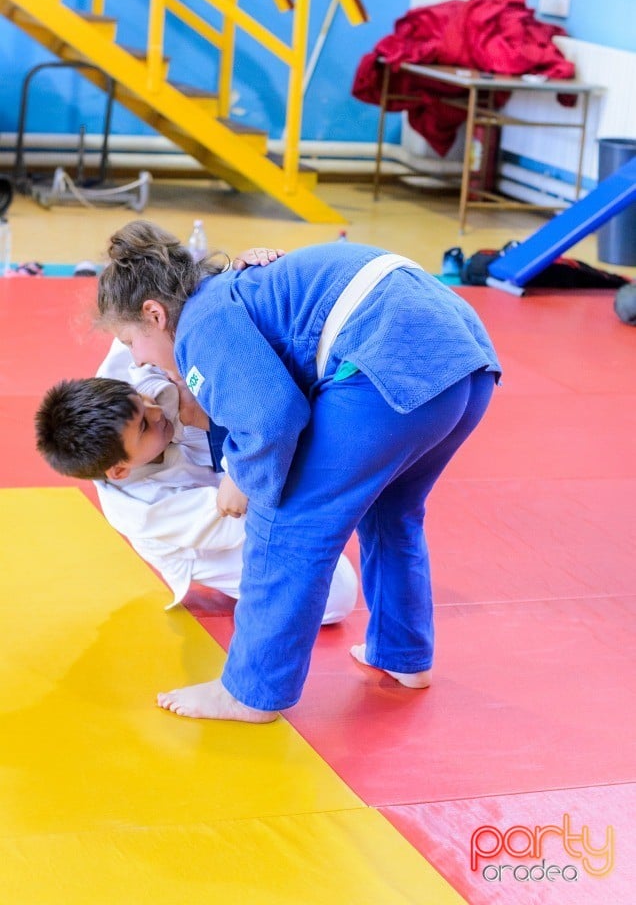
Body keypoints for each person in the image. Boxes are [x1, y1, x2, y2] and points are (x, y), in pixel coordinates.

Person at [92, 220, 502, 724]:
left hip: (392, 361)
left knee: (284, 524)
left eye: (131, 342)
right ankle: (403, 655)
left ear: (154, 314)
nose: (136, 359)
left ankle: (250, 691)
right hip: (463, 358)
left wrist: (240, 473)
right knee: (393, 511)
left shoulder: (198, 326)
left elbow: (273, 417)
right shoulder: (230, 291)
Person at [34, 337, 358, 623]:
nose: (155, 412)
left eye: (142, 401)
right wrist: (245, 473)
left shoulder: (119, 377)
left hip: (211, 456)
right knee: (336, 596)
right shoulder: (145, 511)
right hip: (205, 541)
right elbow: (237, 520)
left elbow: (145, 308)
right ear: (119, 470)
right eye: (144, 426)